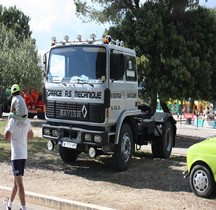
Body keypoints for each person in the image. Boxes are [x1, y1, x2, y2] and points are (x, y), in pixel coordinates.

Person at [4, 113, 34, 210]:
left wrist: (8, 122)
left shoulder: (13, 121)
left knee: (19, 183)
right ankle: (9, 204)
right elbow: (31, 136)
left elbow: (6, 136)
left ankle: (23, 207)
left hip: (16, 156)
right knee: (16, 183)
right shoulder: (26, 120)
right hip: (23, 155)